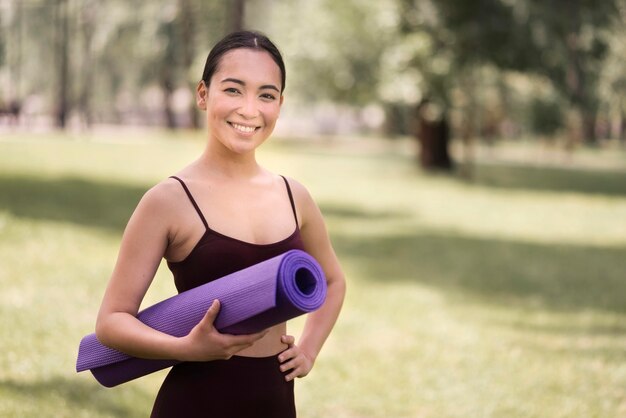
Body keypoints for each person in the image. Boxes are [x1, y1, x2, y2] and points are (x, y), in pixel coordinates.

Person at [94, 30, 346, 417]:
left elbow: (332, 280)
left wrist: (309, 348)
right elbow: (111, 322)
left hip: (275, 401)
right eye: (233, 90)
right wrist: (186, 349)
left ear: (280, 104)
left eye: (266, 94)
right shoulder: (169, 200)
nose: (249, 109)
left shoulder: (295, 196)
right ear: (202, 95)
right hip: (196, 401)